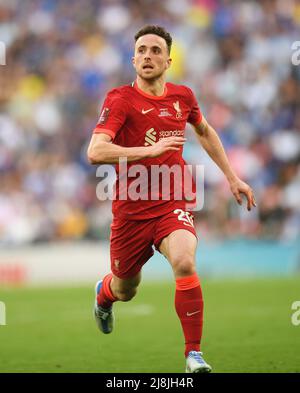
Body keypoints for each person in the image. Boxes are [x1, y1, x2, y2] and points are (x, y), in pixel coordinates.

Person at [87, 25, 256, 373]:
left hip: (171, 201)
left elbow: (205, 131)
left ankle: (193, 353)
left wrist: (232, 176)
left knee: (184, 262)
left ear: (168, 60)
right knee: (126, 288)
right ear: (133, 58)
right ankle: (104, 296)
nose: (148, 56)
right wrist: (147, 150)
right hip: (131, 208)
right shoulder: (120, 99)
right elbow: (96, 151)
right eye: (142, 50)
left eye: (155, 50)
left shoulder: (183, 97)